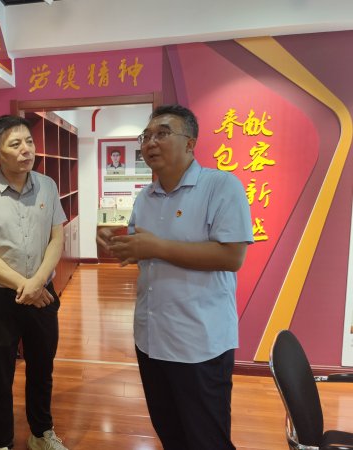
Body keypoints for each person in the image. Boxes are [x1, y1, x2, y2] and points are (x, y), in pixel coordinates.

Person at [97, 104, 253, 450]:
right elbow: (142, 253)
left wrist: (156, 247)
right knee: (170, 433)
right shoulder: (145, 197)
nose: (151, 142)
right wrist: (119, 244)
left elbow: (232, 256)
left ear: (190, 143)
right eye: (146, 136)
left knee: (207, 439)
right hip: (151, 337)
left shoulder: (221, 186)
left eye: (162, 133)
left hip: (199, 342)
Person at [0, 115, 68, 450]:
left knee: (42, 368)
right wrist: (27, 286)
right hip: (0, 299)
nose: (26, 150)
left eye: (29, 142)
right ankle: (1, 443)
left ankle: (41, 433)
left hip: (43, 295)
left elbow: (57, 238)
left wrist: (38, 283)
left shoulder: (48, 185)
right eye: (15, 144)